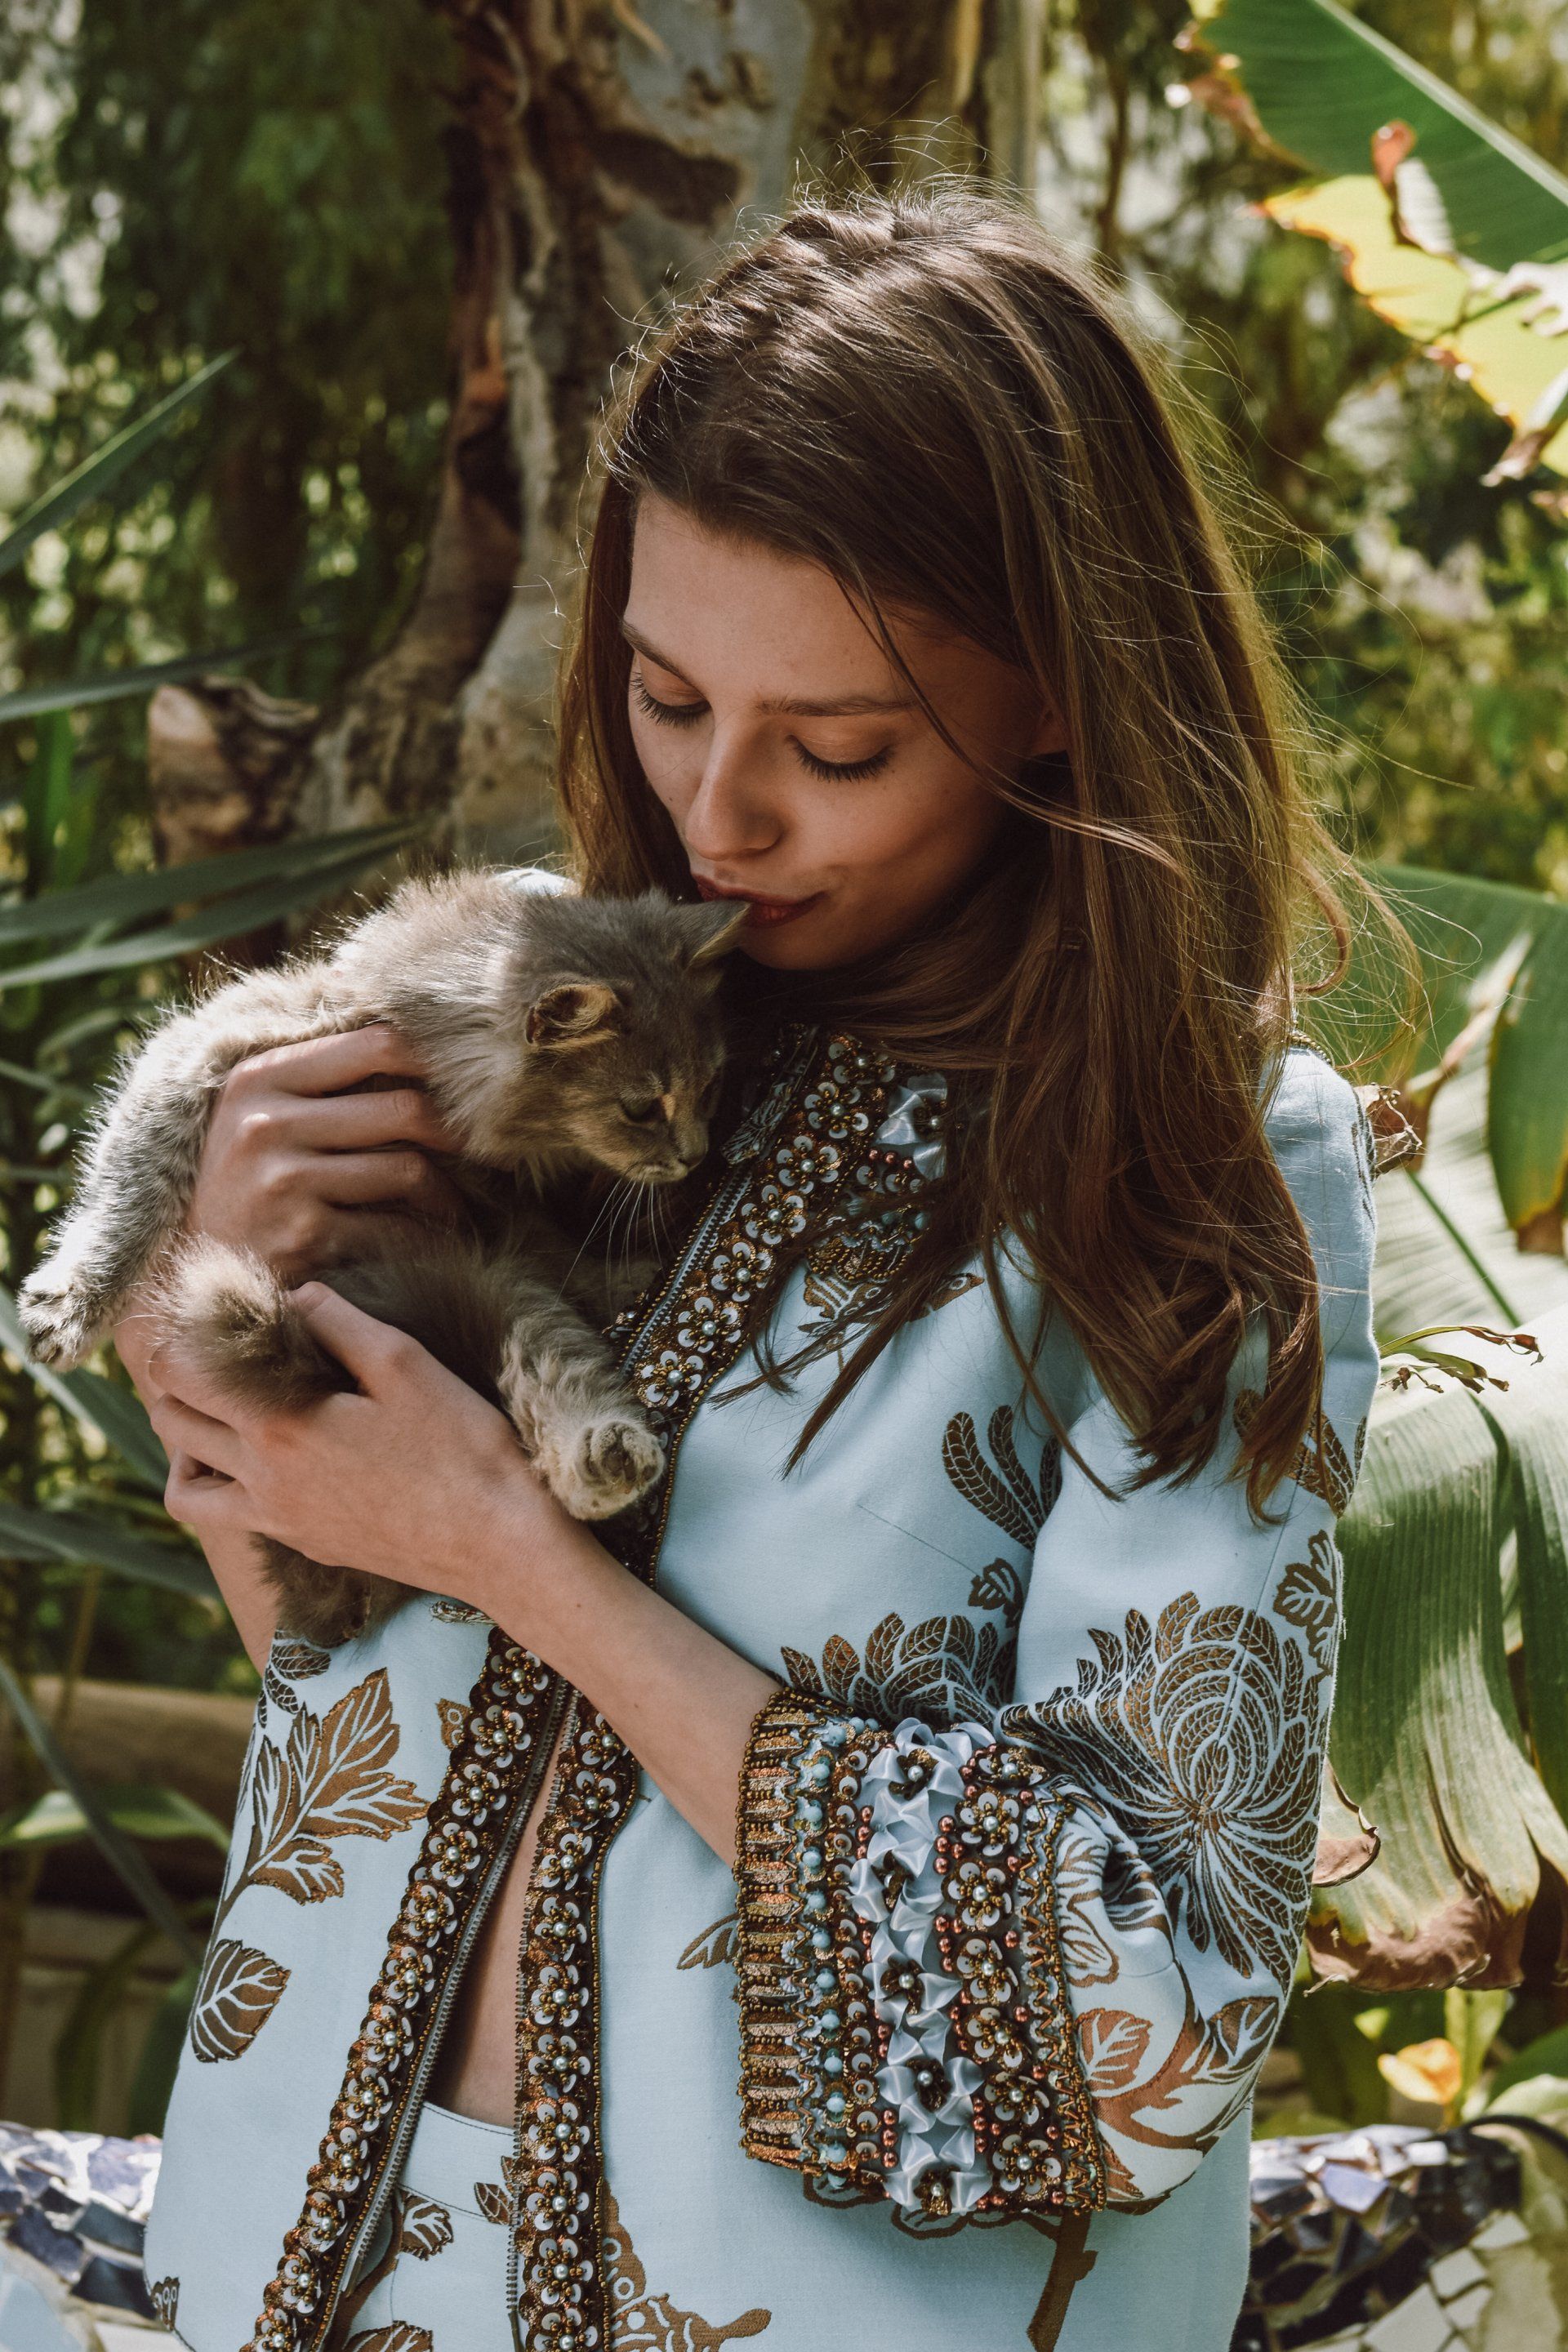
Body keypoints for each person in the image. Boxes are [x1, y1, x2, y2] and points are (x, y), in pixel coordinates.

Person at [117, 187, 1390, 2352]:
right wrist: (245, 1321)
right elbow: (339, 1680)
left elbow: (1143, 2013)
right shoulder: (558, 1014)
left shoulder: (1198, 1164)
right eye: (666, 691)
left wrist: (533, 1561)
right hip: (309, 2268)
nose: (718, 813)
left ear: (1062, 702)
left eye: (842, 746)